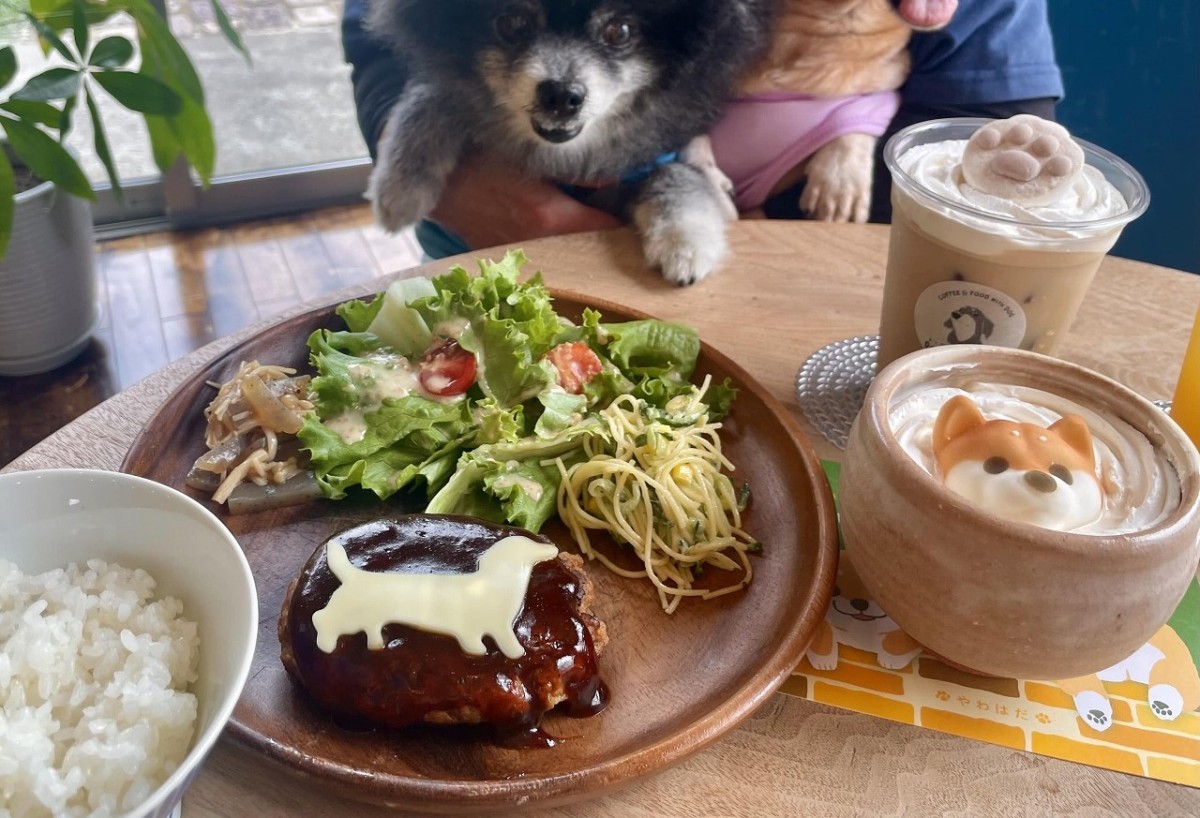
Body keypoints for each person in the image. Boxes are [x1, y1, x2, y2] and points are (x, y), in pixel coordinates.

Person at [341, 0, 1063, 256]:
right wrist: (444, 173)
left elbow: (989, 132)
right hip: (479, 229)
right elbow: (389, 34)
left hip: (804, 274)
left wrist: (764, 235)